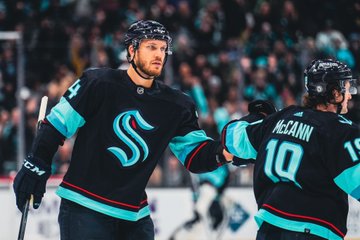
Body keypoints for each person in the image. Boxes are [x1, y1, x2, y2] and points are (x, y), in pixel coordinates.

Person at [13, 20, 232, 240]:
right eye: (151, 47)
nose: (159, 54)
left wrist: (227, 151)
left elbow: (195, 156)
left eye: (163, 49)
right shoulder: (98, 83)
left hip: (134, 217)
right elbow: (57, 125)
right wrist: (37, 162)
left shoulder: (177, 106)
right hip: (84, 207)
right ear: (132, 50)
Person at [222, 58, 359, 240]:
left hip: (268, 231)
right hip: (313, 232)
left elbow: (231, 139)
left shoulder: (280, 118)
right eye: (347, 88)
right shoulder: (340, 130)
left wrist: (255, 118)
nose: (350, 95)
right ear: (334, 93)